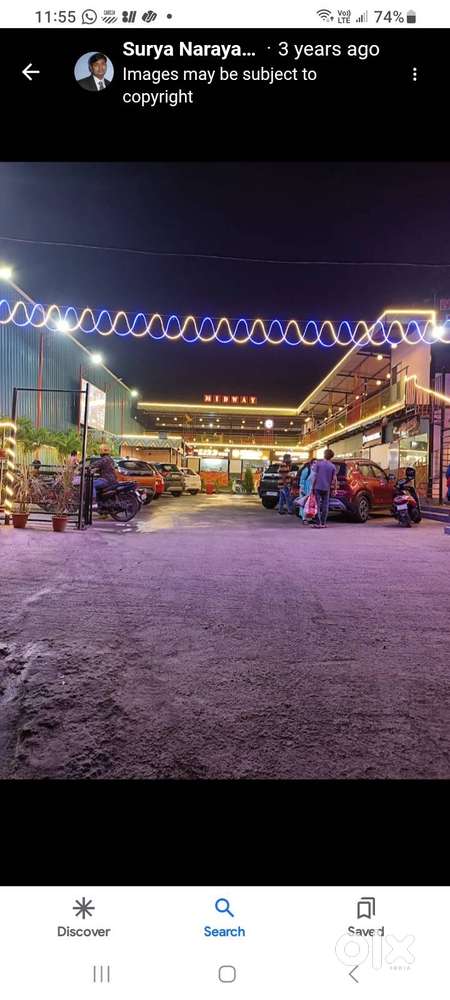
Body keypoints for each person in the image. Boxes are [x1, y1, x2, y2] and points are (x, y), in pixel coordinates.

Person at [309, 448, 337, 528]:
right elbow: (334, 479)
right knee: (325, 505)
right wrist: (335, 489)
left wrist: (312, 487)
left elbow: (313, 476)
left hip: (317, 487)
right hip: (326, 488)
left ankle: (318, 523)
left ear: (324, 455)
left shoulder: (318, 464)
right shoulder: (332, 466)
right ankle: (323, 523)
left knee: (317, 505)